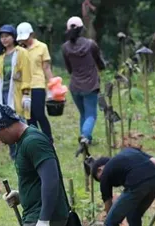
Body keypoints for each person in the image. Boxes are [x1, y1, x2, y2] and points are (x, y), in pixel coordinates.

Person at [0, 24, 32, 159]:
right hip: (2, 95)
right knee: (6, 126)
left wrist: (26, 93)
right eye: (2, 37)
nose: (4, 39)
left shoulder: (21, 53)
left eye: (7, 36)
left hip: (16, 95)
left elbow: (25, 73)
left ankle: (25, 153)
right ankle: (14, 155)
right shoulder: (0, 58)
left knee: (19, 123)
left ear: (13, 37)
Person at [62, 16, 105, 146]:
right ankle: (85, 136)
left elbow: (69, 69)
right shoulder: (91, 44)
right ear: (81, 29)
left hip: (75, 86)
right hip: (91, 85)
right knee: (91, 115)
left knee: (83, 114)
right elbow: (100, 62)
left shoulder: (65, 47)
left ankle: (86, 139)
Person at [16, 22, 54, 142]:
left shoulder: (42, 47)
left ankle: (48, 139)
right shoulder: (19, 50)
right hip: (24, 86)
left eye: (26, 38)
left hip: (38, 84)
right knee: (29, 116)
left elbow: (46, 67)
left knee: (39, 113)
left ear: (32, 35)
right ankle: (36, 140)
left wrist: (53, 85)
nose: (24, 41)